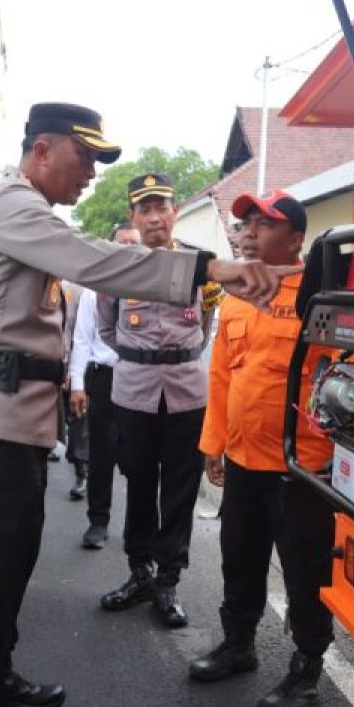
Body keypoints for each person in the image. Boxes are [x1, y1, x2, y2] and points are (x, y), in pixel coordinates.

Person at [0, 102, 297, 707]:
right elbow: (97, 264)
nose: (93, 173)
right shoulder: (11, 206)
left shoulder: (32, 213)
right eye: (86, 157)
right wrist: (209, 268)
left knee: (10, 567)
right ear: (42, 150)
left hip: (11, 420)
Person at [189, 189, 337, 707]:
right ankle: (238, 644)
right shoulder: (234, 295)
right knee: (240, 558)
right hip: (245, 459)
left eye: (263, 224)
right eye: (244, 223)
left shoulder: (321, 296)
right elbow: (222, 375)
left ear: (295, 238)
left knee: (305, 573)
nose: (247, 232)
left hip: (302, 469)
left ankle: (307, 667)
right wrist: (214, 444)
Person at [96, 174, 218, 629]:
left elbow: (204, 325)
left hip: (186, 392)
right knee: (140, 483)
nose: (153, 217)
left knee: (181, 489)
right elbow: (108, 329)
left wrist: (172, 357)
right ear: (133, 216)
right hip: (134, 391)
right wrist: (142, 357)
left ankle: (168, 581)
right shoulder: (117, 268)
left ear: (175, 212)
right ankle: (139, 573)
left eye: (160, 207)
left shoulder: (200, 265)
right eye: (144, 209)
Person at [68, 222, 141, 548]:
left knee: (139, 456)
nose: (129, 247)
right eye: (123, 242)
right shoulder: (95, 288)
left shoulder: (147, 285)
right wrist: (77, 385)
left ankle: (138, 530)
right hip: (104, 379)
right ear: (110, 246)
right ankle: (98, 521)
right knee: (101, 455)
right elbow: (82, 339)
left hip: (140, 379)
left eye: (134, 242)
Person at [60, 279, 88, 500]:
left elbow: (78, 331)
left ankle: (84, 472)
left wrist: (72, 368)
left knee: (80, 420)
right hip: (48, 363)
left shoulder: (77, 290)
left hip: (73, 363)